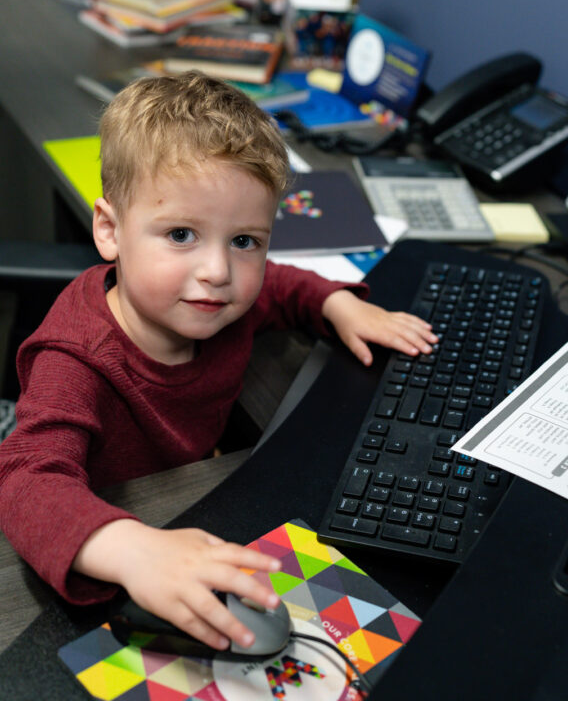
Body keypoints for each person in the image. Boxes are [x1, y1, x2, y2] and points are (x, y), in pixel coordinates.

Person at [0, 72, 436, 654]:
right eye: (181, 234)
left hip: (190, 499)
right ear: (109, 229)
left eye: (244, 241)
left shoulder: (217, 301)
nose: (218, 272)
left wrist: (333, 303)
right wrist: (132, 548)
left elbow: (278, 286)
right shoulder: (76, 358)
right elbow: (25, 480)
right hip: (109, 529)